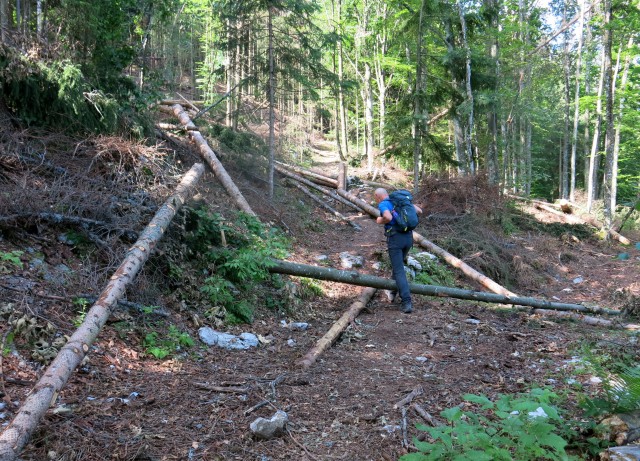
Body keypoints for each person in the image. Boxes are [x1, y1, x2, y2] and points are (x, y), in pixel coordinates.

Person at [374, 188, 422, 314]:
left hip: (395, 239)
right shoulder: (400, 201)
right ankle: (392, 293)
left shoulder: (384, 203)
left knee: (399, 270)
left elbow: (387, 217)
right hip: (408, 239)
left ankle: (406, 301)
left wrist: (380, 220)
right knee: (397, 267)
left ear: (378, 196)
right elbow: (419, 210)